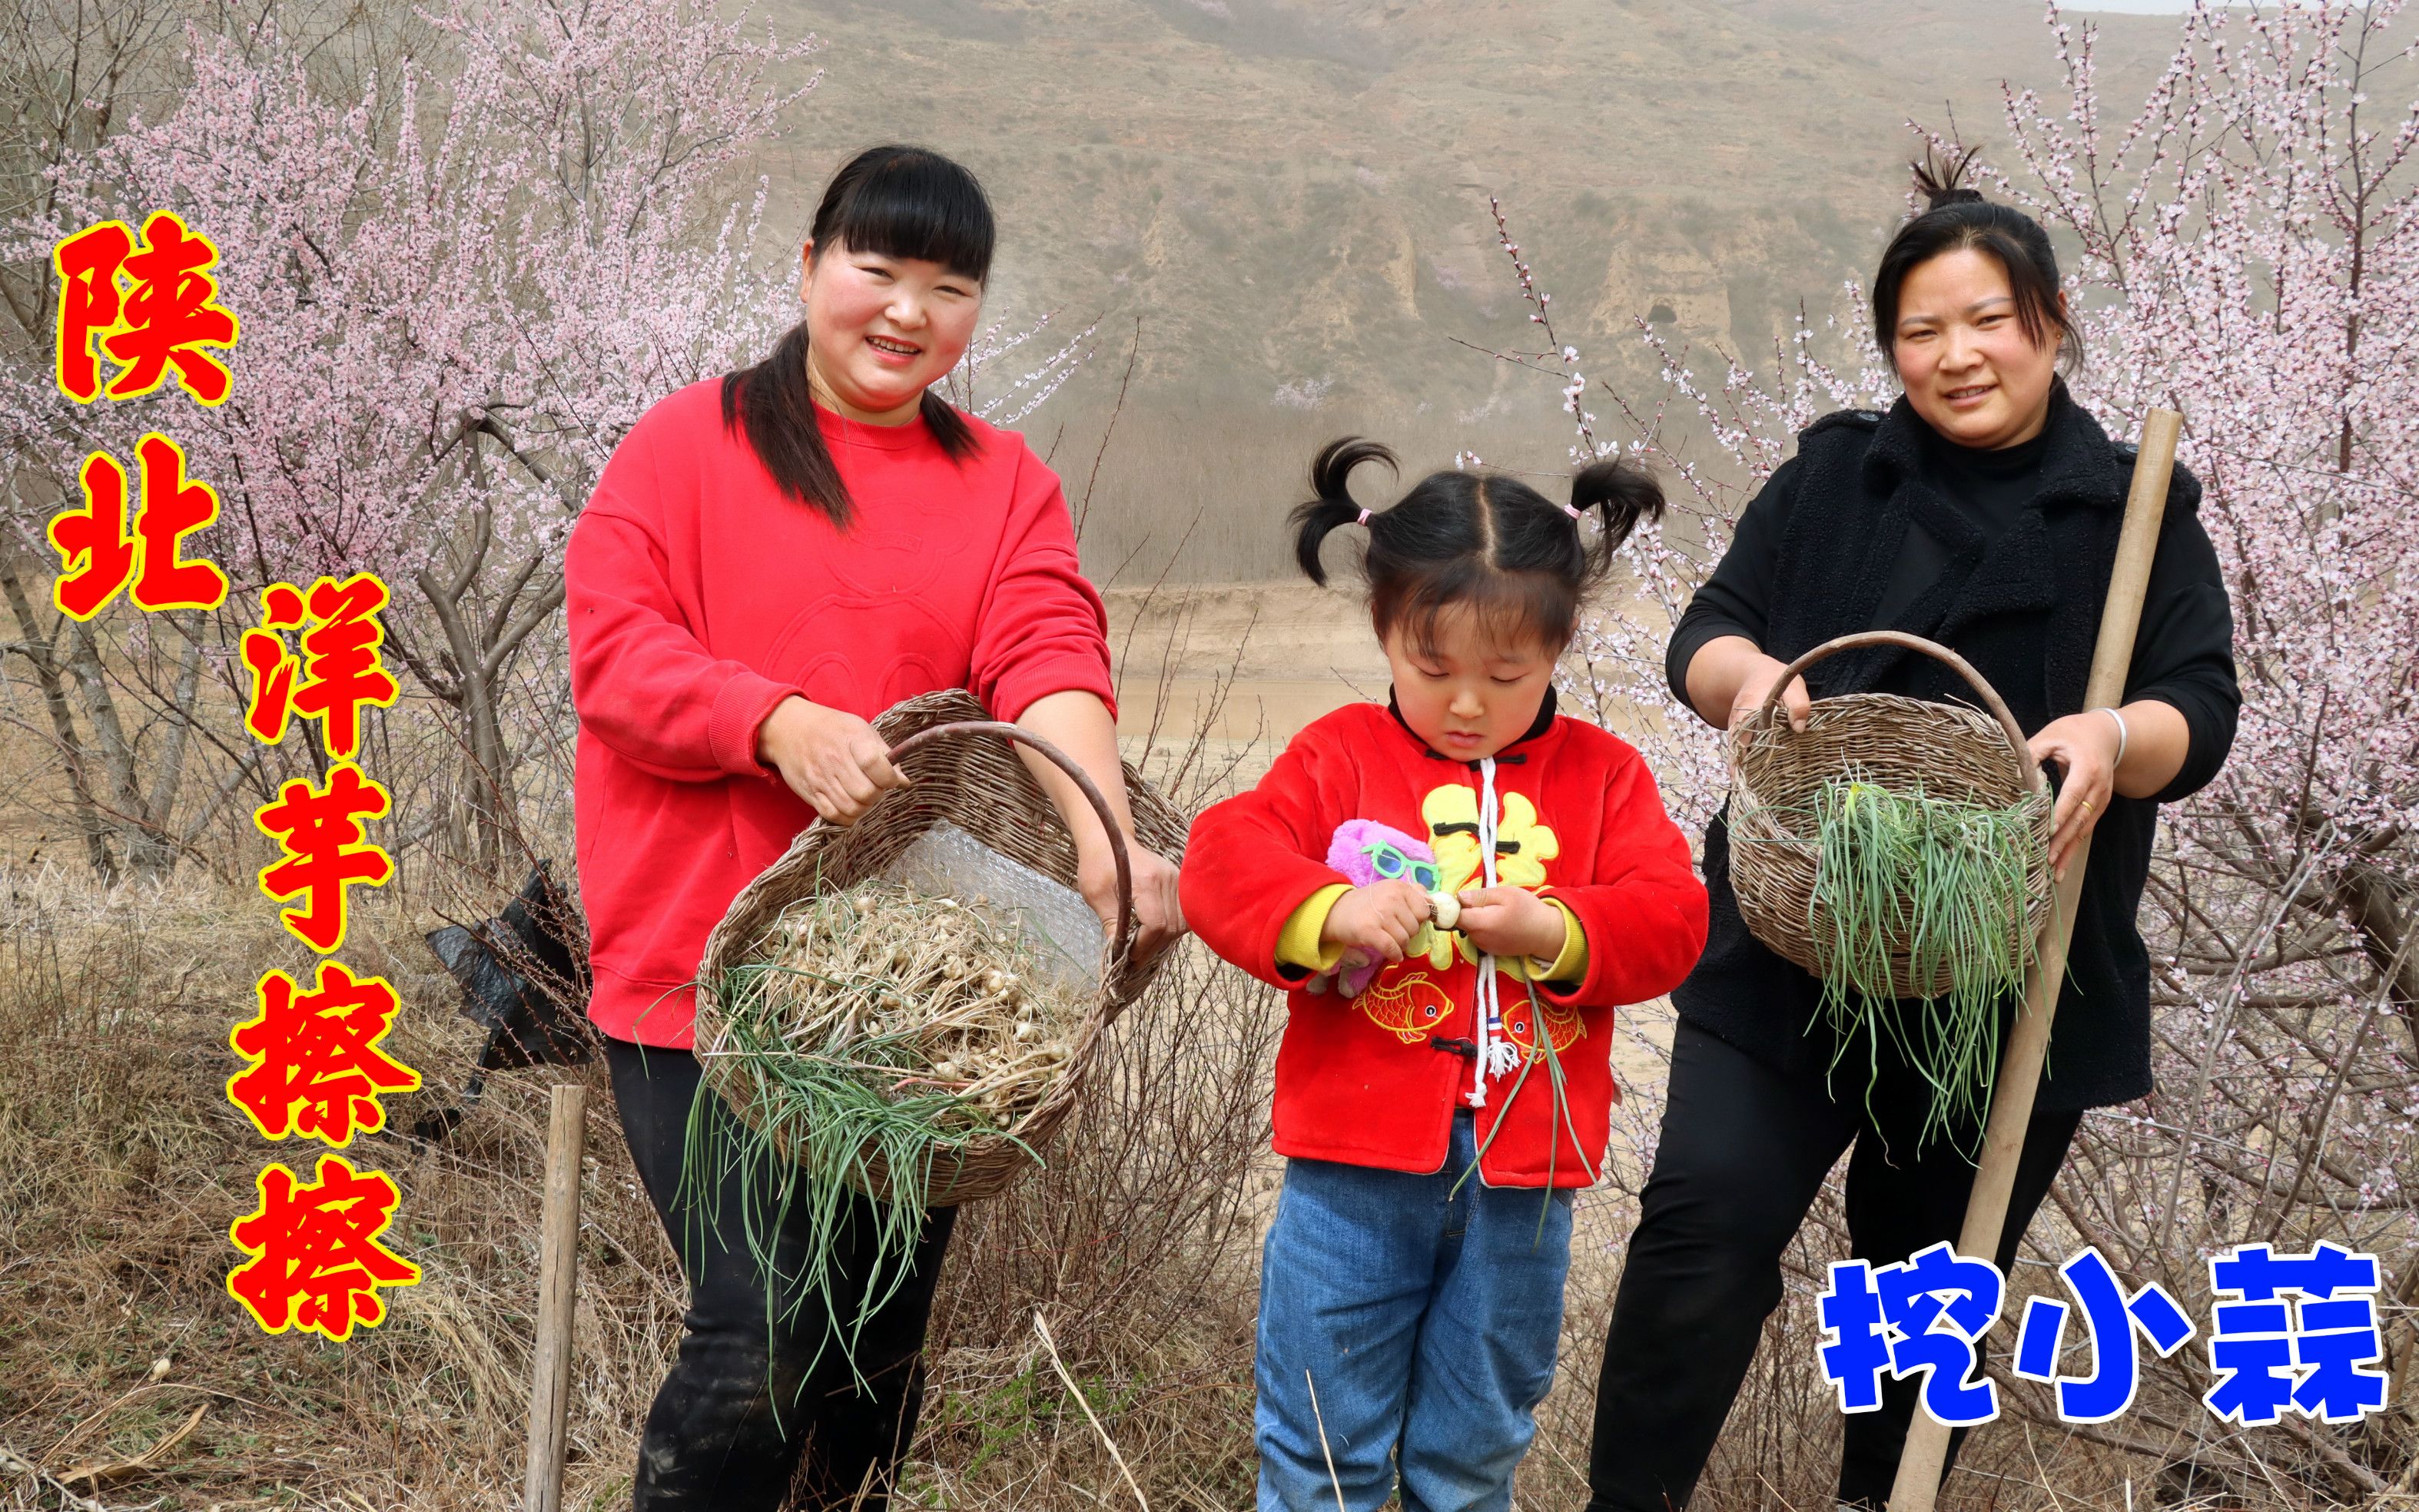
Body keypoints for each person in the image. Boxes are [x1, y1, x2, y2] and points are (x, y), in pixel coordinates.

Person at [1584, 151, 2241, 1511]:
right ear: (1891, 348)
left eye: (1988, 321)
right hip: (1791, 943)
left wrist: (2118, 741)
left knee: (1914, 1305)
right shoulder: (1836, 476)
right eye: (1920, 331)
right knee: (1702, 1230)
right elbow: (1709, 632)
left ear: (2050, 321)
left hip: (2007, 977)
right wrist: (1750, 681)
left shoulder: (2136, 511)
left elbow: (2202, 706)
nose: (1956, 356)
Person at [562, 144, 1183, 1512]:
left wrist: (1097, 839)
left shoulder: (1002, 480)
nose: (909, 311)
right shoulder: (689, 443)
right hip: (697, 986)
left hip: (904, 1002)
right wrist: (770, 718)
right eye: (877, 268)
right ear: (807, 265)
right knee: (762, 1338)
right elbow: (611, 655)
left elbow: (1046, 646)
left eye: (950, 286)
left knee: (873, 1356)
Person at [1182, 439, 1709, 1512]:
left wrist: (1554, 927)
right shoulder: (1336, 757)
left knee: (1472, 1456)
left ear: (1558, 647)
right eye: (1434, 670)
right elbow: (1222, 861)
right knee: (1320, 1448)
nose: (1468, 704)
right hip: (1350, 1174)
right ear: (1385, 629)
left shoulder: (1608, 779)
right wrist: (1328, 911)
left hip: (1527, 1184)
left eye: (1507, 676)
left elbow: (1671, 920)